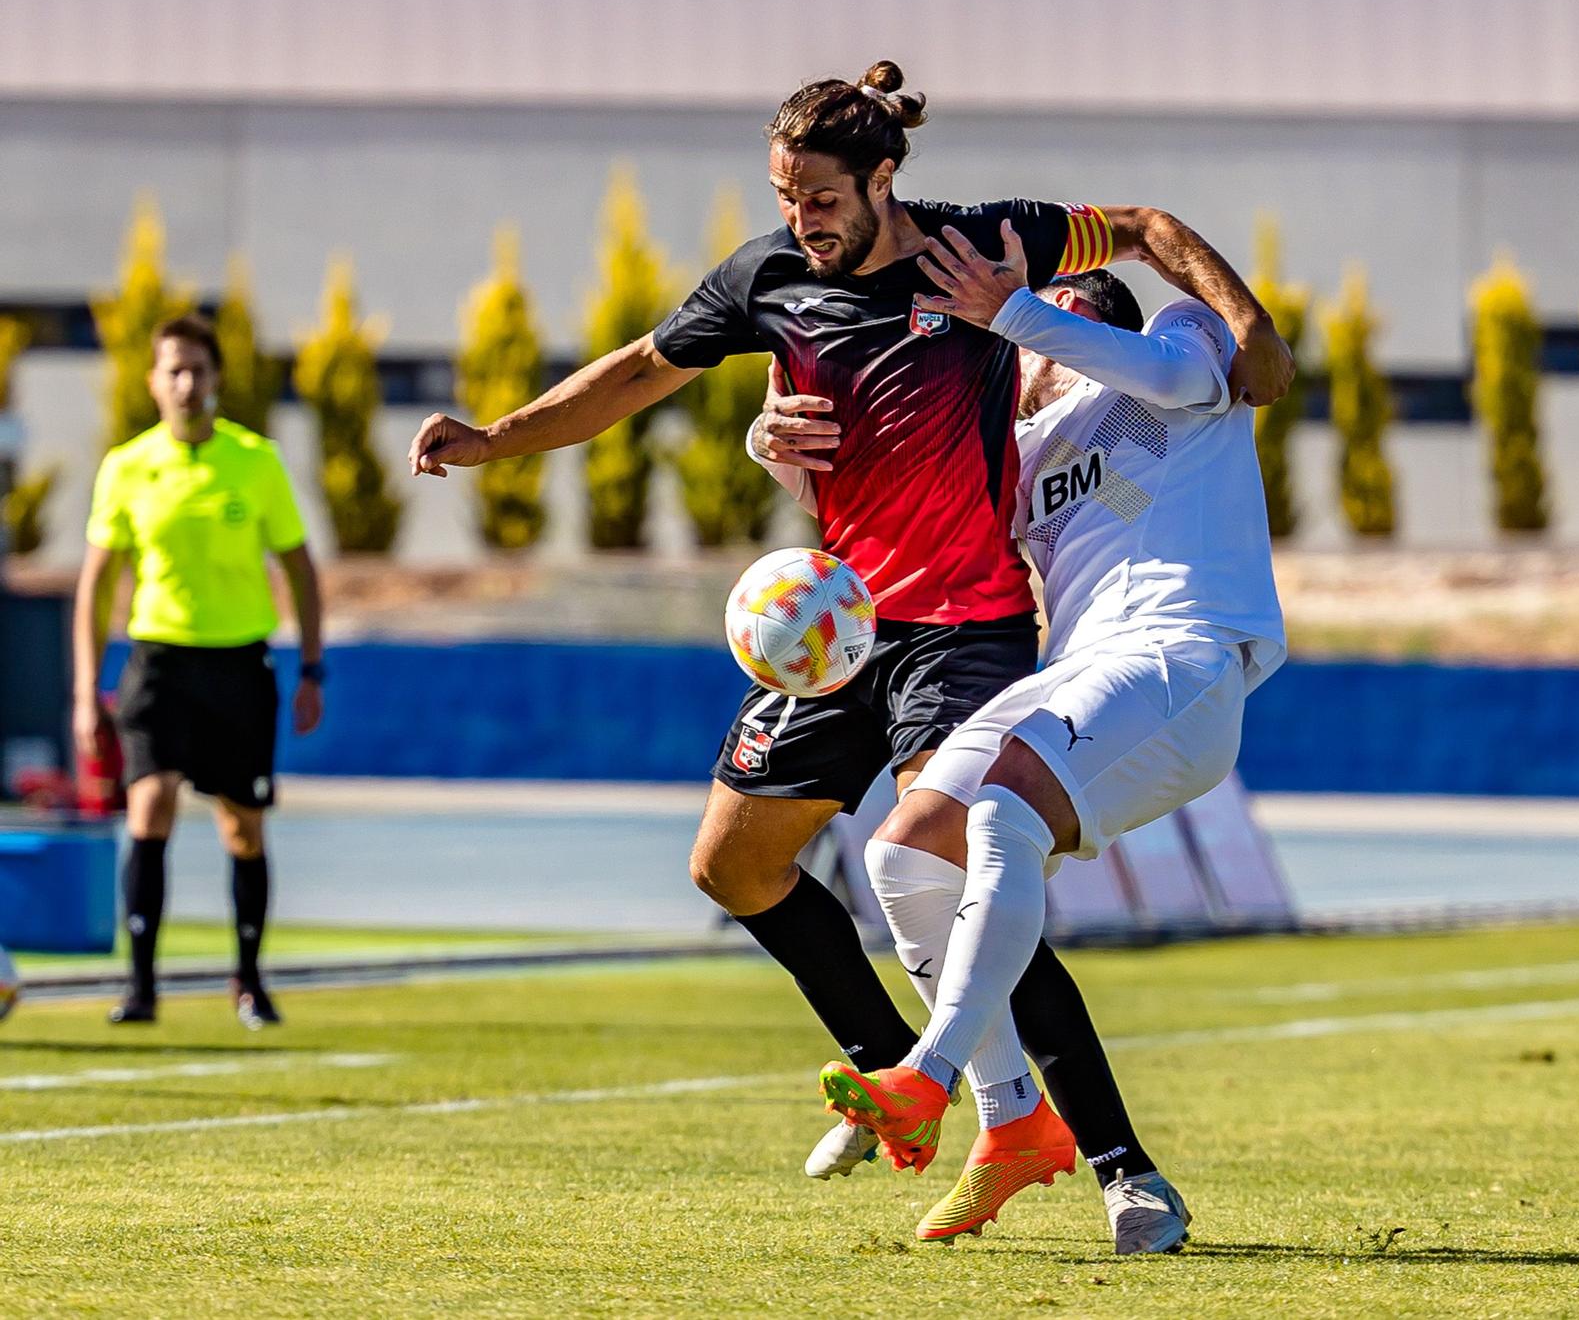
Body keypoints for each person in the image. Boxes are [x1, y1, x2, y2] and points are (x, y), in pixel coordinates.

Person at [407, 61, 1291, 1253]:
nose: (798, 218)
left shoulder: (989, 253)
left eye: (819, 195)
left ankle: (1112, 1158)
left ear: (882, 178)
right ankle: (901, 1075)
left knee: (964, 845)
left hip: (966, 628)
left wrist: (1242, 323)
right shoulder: (765, 278)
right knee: (733, 864)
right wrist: (507, 438)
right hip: (840, 627)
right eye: (783, 194)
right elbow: (636, 371)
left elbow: (1140, 230)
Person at [773, 235, 1282, 1245]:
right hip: (1082, 671)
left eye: (1029, 325)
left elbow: (1184, 364)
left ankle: (924, 1073)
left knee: (1001, 802)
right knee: (906, 850)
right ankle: (1012, 1123)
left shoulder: (1169, 355)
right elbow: (892, 518)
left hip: (1182, 656)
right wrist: (783, 450)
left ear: (1074, 318)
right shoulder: (1018, 452)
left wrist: (1010, 307)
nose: (1007, 350)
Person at [74, 313, 325, 1028]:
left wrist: (312, 667)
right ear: (154, 381)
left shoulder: (256, 460)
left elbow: (301, 569)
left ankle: (247, 980)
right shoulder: (126, 467)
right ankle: (141, 985)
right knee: (147, 806)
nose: (186, 383)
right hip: (158, 663)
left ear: (216, 381)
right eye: (173, 370)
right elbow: (95, 585)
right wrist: (84, 690)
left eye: (199, 371)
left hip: (240, 667)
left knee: (242, 829)